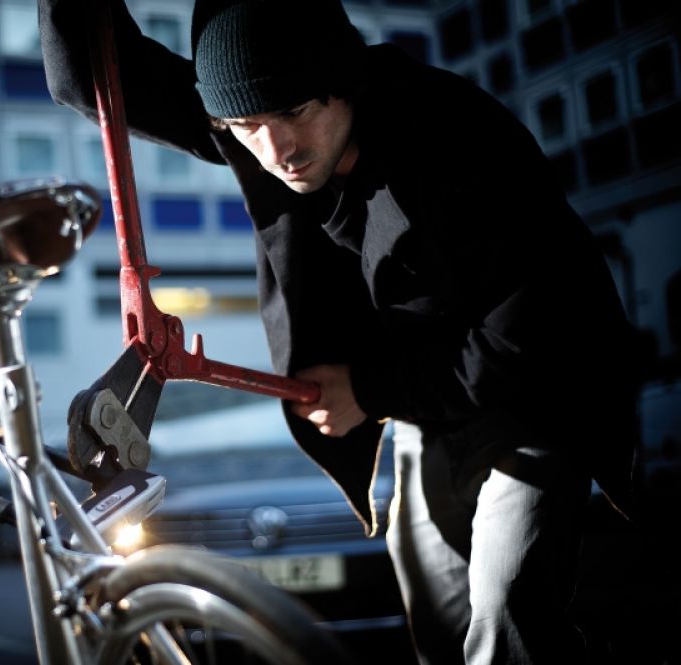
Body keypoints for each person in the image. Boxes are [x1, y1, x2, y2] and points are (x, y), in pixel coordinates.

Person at [38, 1, 641, 663]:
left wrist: (368, 388)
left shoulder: (461, 144)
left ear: (342, 81)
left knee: (505, 612)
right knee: (438, 608)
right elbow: (92, 78)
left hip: (542, 393)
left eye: (296, 112)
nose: (277, 151)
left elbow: (524, 343)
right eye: (244, 126)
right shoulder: (256, 115)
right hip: (426, 400)